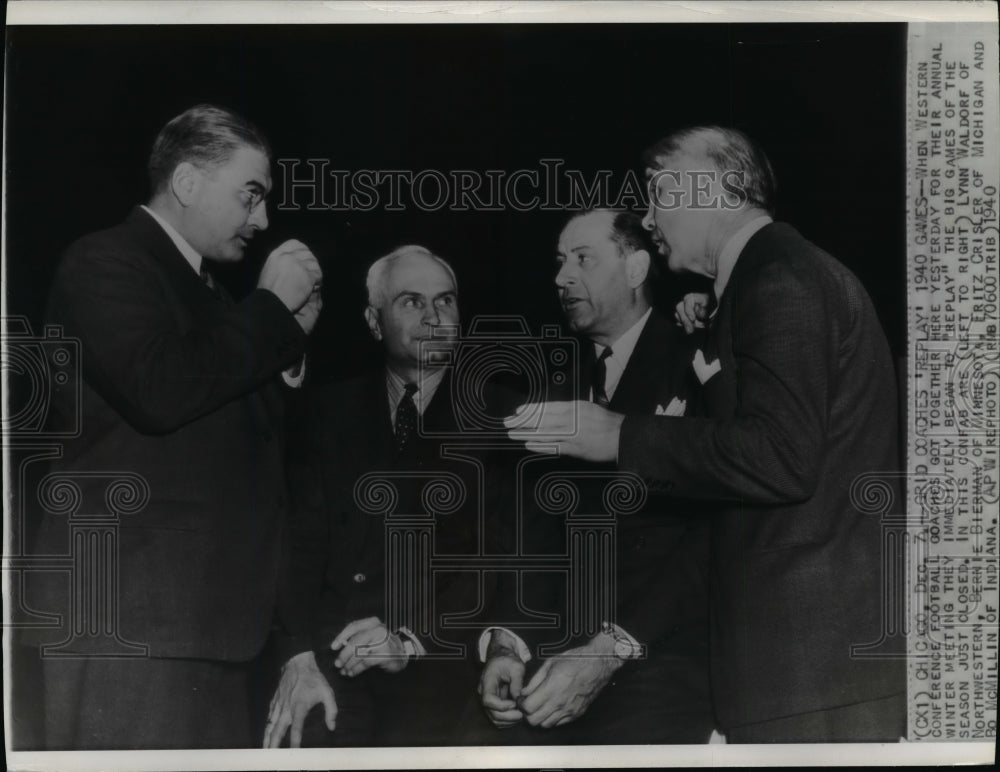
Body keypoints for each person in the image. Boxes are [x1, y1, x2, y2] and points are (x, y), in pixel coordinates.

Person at [507, 127, 906, 742]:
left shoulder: (780, 282)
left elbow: (781, 457)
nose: (648, 214)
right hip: (798, 659)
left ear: (721, 189)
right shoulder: (763, 281)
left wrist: (621, 436)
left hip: (805, 668)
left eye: (659, 193)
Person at [23, 104, 323, 749]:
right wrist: (270, 308)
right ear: (187, 183)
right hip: (128, 624)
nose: (262, 219)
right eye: (251, 194)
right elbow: (161, 390)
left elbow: (245, 449)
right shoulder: (104, 261)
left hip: (204, 623)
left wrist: (287, 345)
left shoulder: (207, 293)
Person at [474, 209, 714, 744]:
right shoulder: (556, 375)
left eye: (583, 259)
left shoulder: (698, 358)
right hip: (556, 663)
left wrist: (611, 649)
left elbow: (713, 537)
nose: (562, 278)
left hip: (662, 660)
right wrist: (508, 642)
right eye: (560, 263)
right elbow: (535, 528)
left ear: (635, 270)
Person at [265, 245, 500, 747]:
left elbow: (492, 566)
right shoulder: (327, 411)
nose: (435, 316)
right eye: (412, 302)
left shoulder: (502, 420)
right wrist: (297, 656)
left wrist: (409, 642)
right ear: (374, 322)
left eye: (446, 301)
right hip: (333, 659)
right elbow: (298, 541)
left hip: (441, 667)